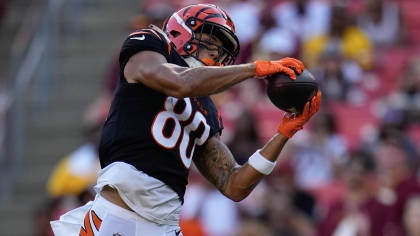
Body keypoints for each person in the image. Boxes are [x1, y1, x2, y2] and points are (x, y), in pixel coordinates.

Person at [50, 3, 322, 236]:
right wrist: (255, 68)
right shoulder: (148, 45)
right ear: (182, 32)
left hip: (163, 226)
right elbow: (180, 82)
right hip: (116, 215)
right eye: (211, 42)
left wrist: (284, 132)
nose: (215, 55)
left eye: (221, 51)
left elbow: (234, 184)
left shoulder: (207, 109)